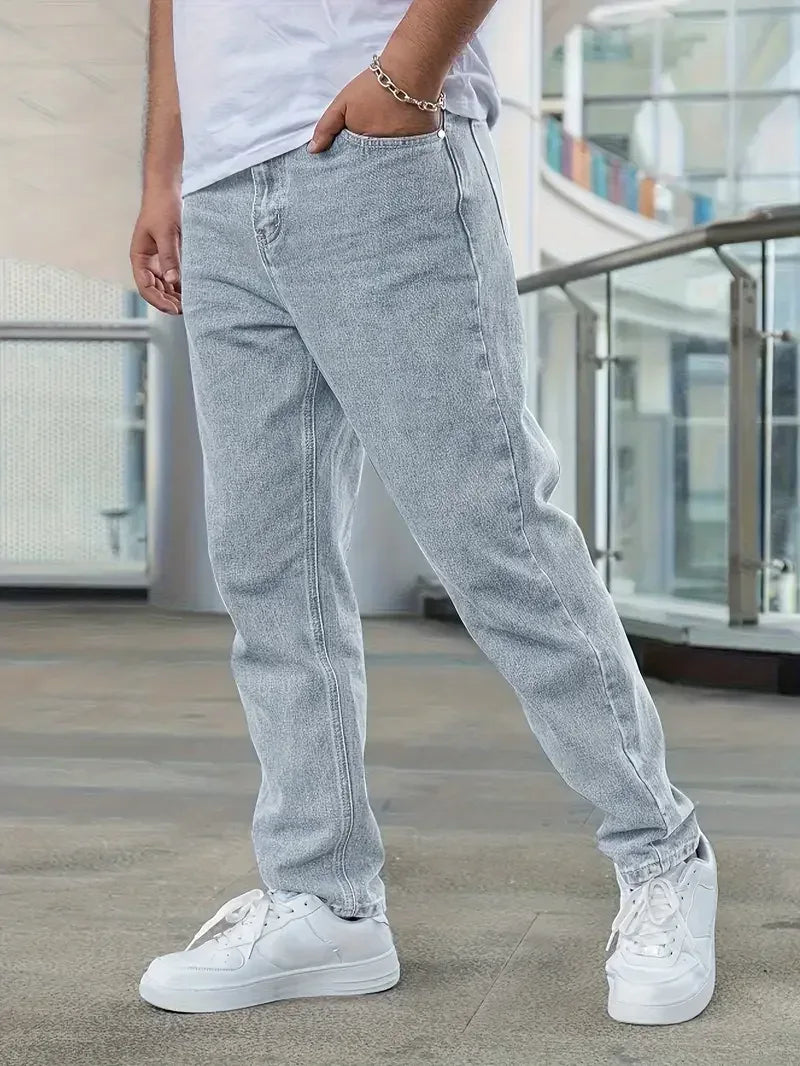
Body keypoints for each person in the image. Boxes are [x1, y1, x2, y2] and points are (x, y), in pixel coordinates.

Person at [131, 0, 717, 1026]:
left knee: (490, 528)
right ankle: (326, 898)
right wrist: (161, 176)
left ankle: (660, 852)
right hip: (218, 191)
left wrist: (405, 77)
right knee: (271, 570)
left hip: (372, 154)